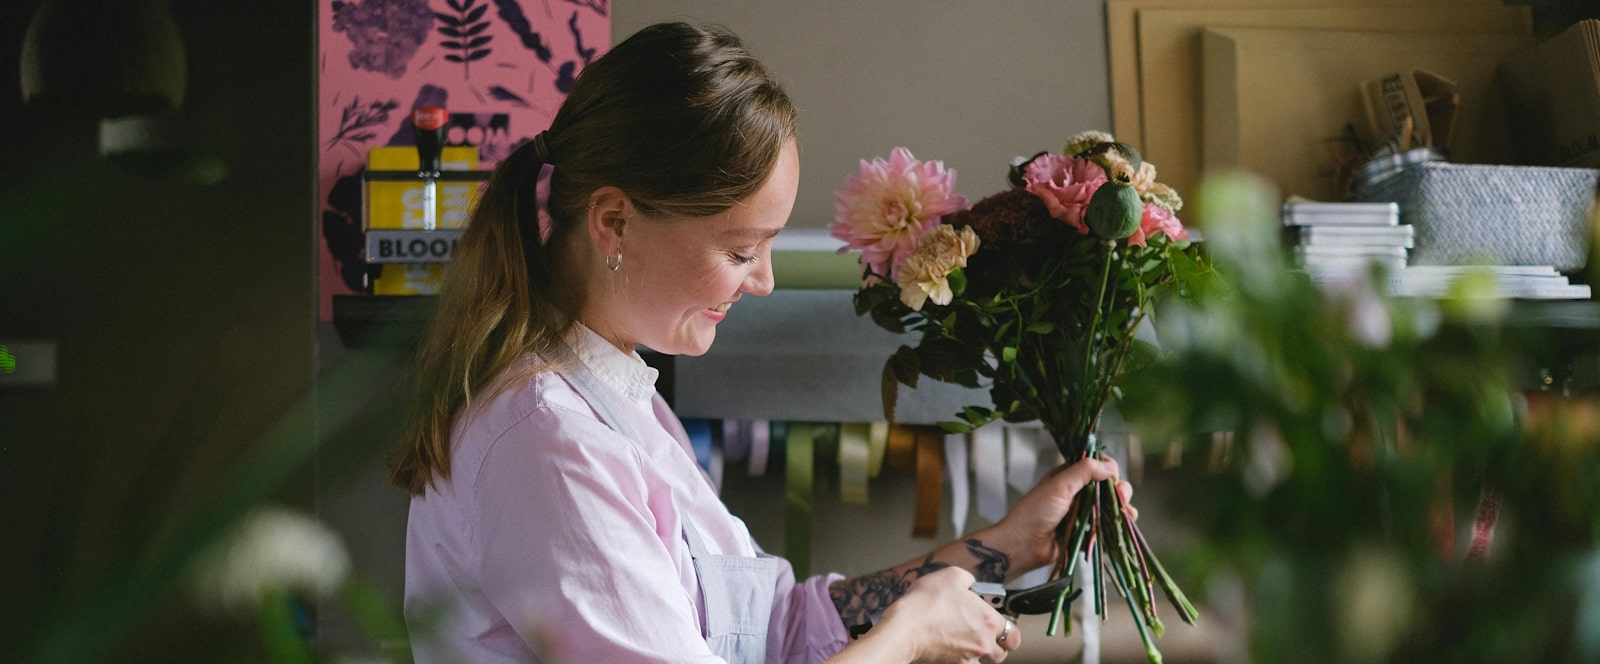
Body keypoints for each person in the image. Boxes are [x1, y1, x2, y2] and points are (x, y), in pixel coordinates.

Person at [389, 21, 1132, 664]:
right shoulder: (545, 443)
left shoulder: (618, 401)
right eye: (742, 251)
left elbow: (777, 625)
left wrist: (1005, 545)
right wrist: (907, 638)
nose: (764, 281)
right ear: (614, 223)